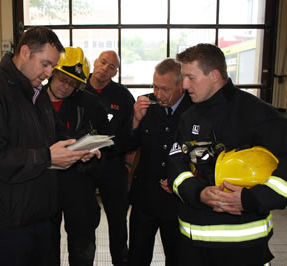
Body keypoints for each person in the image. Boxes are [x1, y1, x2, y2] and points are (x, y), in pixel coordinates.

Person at [0, 27, 95, 266]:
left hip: (40, 216)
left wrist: (78, 148)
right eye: (45, 64)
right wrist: (46, 157)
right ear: (24, 52)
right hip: (5, 223)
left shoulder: (35, 92)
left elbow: (55, 132)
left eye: (52, 67)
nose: (48, 74)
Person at [168, 43, 287, 266]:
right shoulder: (188, 117)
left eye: (191, 77)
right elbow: (176, 165)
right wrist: (198, 193)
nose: (184, 85)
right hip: (191, 246)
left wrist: (251, 199)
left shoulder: (258, 114)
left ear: (214, 75)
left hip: (243, 248)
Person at [45, 47, 110, 266]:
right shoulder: (33, 102)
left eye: (73, 83)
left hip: (80, 186)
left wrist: (92, 153)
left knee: (82, 249)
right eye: (63, 79)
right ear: (52, 73)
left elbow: (107, 139)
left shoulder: (89, 103)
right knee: (44, 249)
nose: (66, 87)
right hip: (43, 187)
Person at [126, 58, 193, 266]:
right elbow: (126, 145)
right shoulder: (145, 104)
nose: (158, 94)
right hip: (144, 197)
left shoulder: (195, 109)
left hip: (178, 201)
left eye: (165, 89)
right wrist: (135, 120)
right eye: (155, 86)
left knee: (177, 256)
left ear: (181, 86)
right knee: (137, 255)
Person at [85, 50, 135, 266]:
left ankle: (120, 261)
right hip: (82, 166)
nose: (106, 68)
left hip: (113, 165)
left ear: (116, 72)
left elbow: (132, 133)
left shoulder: (122, 96)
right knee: (84, 220)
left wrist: (127, 164)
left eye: (112, 66)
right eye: (103, 62)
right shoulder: (77, 89)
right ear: (95, 62)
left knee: (117, 220)